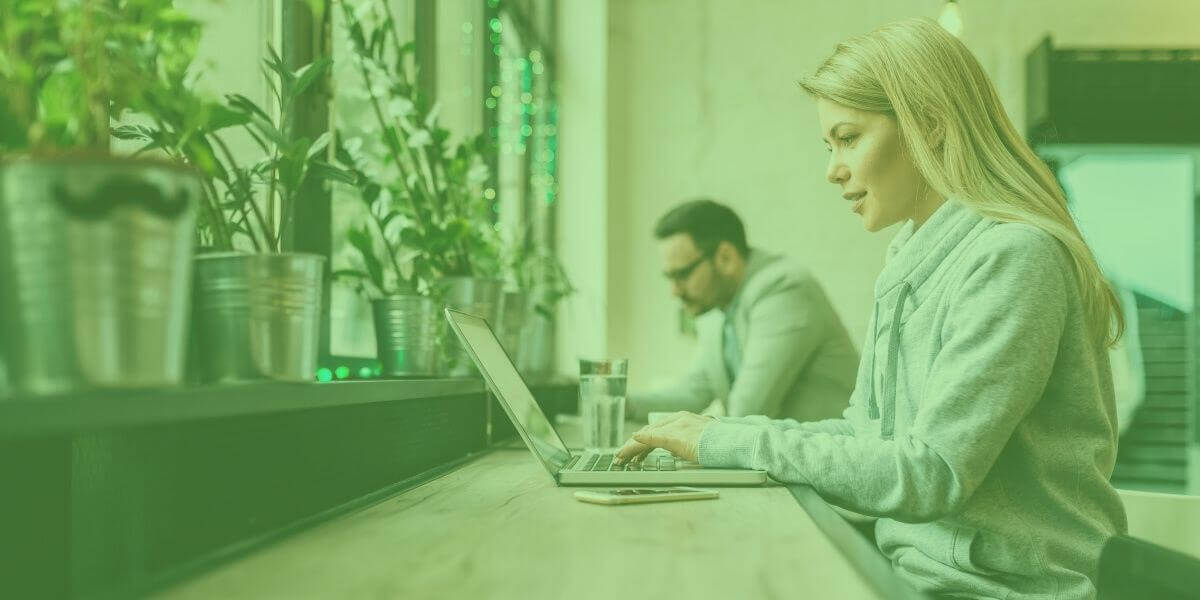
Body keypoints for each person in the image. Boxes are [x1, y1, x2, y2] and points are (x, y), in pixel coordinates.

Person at [616, 18, 1127, 600]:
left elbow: (931, 474)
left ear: (929, 125)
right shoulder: (909, 257)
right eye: (828, 145)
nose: (832, 169)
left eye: (848, 138)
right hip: (912, 576)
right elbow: (866, 433)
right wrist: (717, 431)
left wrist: (723, 441)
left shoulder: (1015, 257)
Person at [629, 199, 858, 423]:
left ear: (725, 257)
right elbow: (692, 394)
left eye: (682, 275)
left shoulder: (783, 290)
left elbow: (749, 411)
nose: (674, 291)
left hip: (829, 458)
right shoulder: (716, 306)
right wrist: (608, 400)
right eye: (669, 277)